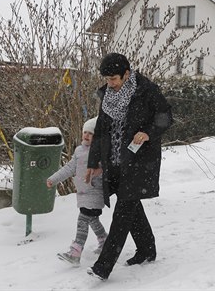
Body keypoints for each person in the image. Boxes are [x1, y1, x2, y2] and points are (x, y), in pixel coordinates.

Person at [85, 52, 172, 281]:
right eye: (107, 79)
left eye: (114, 79)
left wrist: (148, 132)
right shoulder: (106, 95)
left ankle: (103, 267)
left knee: (124, 210)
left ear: (126, 74)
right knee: (129, 203)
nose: (110, 83)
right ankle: (147, 249)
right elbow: (102, 128)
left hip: (140, 160)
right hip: (115, 160)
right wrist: (94, 161)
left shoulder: (146, 90)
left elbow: (166, 116)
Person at [46, 117, 107, 266]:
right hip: (82, 193)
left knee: (82, 220)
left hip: (94, 192)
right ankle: (105, 241)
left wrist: (101, 171)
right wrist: (53, 179)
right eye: (84, 132)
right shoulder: (79, 151)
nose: (86, 135)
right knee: (92, 220)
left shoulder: (100, 151)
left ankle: (76, 251)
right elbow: (69, 168)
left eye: (90, 133)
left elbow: (110, 166)